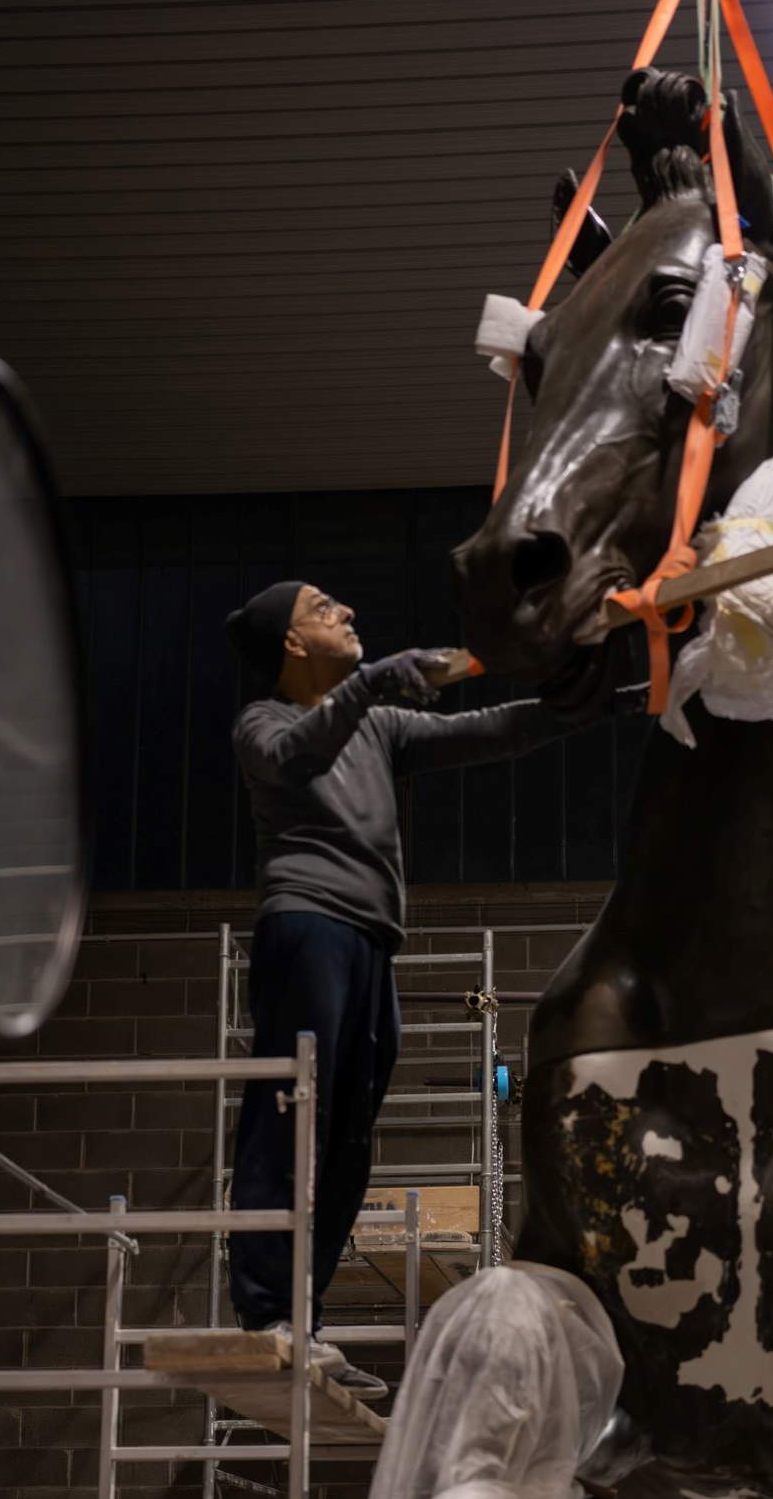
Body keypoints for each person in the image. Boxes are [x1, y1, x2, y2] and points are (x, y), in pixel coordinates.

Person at [224, 578, 575, 1396]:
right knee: (292, 1120)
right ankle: (267, 1312)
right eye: (325, 610)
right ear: (291, 643)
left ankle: (302, 1320)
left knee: (349, 1138)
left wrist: (596, 703)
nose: (348, 611)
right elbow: (292, 756)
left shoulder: (377, 725)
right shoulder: (264, 722)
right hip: (306, 923)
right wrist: (374, 679)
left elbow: (487, 729)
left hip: (371, 942)